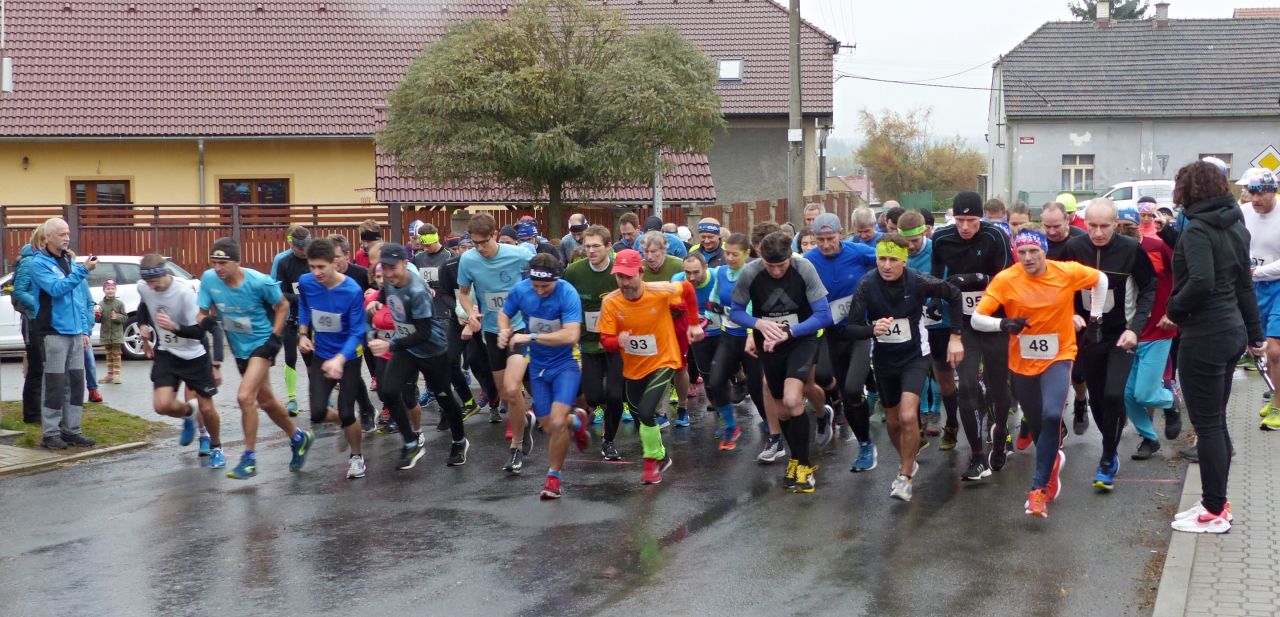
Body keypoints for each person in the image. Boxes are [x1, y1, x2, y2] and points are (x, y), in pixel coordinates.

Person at [972, 226, 1108, 518]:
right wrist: (1003, 324)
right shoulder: (1006, 279)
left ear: (1044, 251)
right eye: (1021, 252)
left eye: (1033, 251)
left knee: (1051, 415)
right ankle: (1052, 460)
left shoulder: (1066, 271)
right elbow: (977, 318)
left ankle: (1038, 491)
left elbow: (1101, 279)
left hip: (1059, 355)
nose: (1028, 257)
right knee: (1037, 426)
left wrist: (1095, 317)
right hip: (1022, 361)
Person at [1166, 160, 1264, 534]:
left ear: (1187, 191)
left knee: (1207, 425)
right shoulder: (1236, 226)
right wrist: (1254, 335)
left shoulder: (1197, 230)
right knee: (1216, 421)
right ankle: (1216, 502)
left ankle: (1213, 511)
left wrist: (1174, 308)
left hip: (1205, 335)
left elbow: (1202, 281)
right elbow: (1244, 285)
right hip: (1231, 331)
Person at [846, 234, 964, 501]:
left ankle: (904, 476)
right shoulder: (866, 284)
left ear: (904, 260)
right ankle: (907, 460)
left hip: (915, 357)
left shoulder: (917, 280)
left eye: (893, 259)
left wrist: (956, 336)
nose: (886, 265)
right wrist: (871, 329)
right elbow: (851, 328)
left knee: (909, 416)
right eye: (881, 259)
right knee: (894, 421)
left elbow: (954, 294)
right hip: (884, 360)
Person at [1061, 198, 1157, 491]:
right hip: (1089, 335)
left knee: (1114, 394)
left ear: (1116, 224)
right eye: (1092, 226)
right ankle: (1109, 443)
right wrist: (1071, 314)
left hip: (1120, 334)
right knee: (1098, 399)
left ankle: (1106, 459)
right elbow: (1060, 286)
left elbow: (1149, 288)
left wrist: (1135, 329)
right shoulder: (1074, 248)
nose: (1098, 232)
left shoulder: (1130, 249)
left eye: (1105, 226)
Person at [197, 238, 312, 479]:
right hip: (239, 348)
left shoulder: (259, 281)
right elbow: (202, 313)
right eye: (214, 262)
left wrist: (275, 338)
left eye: (223, 263)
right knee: (267, 401)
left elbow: (282, 306)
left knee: (245, 397)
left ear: (237, 262)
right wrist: (207, 324)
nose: (218, 268)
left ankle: (249, 458)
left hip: (262, 344)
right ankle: (298, 437)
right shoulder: (209, 279)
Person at [731, 232, 831, 493]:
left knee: (792, 400)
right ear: (761, 259)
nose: (776, 271)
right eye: (770, 266)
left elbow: (823, 315)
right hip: (769, 342)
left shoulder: (804, 268)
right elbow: (736, 311)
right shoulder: (751, 272)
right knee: (782, 410)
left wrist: (790, 332)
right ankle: (795, 458)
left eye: (782, 265)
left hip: (801, 339)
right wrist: (758, 323)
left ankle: (805, 466)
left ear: (790, 256)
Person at [930, 191, 1014, 481]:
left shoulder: (995, 236)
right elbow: (936, 274)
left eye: (972, 221)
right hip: (964, 321)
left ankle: (1000, 434)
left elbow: (1009, 278)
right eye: (960, 220)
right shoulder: (942, 238)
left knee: (997, 386)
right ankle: (978, 456)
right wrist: (935, 295)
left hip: (995, 320)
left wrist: (974, 278)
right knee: (966, 386)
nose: (965, 227)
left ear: (981, 218)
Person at [369, 243, 471, 470]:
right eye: (384, 268)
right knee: (388, 392)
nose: (388, 273)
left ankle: (459, 441)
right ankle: (411, 443)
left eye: (393, 267)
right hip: (407, 348)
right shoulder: (390, 279)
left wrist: (389, 344)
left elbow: (423, 334)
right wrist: (378, 300)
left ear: (405, 263)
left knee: (444, 397)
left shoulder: (417, 291)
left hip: (432, 350)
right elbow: (386, 291)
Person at [497, 253, 591, 498]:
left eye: (545, 287)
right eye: (535, 285)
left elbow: (571, 335)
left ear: (556, 280)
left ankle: (553, 478)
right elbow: (504, 313)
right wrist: (503, 330)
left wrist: (531, 336)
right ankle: (576, 421)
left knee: (557, 422)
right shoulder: (522, 289)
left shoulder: (567, 293)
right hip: (538, 366)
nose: (539, 291)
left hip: (566, 364)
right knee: (549, 425)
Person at [597, 249, 686, 484]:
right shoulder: (610, 301)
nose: (625, 282)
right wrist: (618, 341)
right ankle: (661, 457)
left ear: (641, 272)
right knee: (639, 417)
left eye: (629, 276)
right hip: (633, 366)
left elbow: (686, 290)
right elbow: (604, 340)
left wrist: (694, 322)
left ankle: (650, 466)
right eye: (620, 276)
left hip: (664, 359)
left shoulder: (660, 291)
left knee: (647, 411)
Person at [457, 213, 536, 472]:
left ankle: (516, 446)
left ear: (494, 235)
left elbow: (543, 274)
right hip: (491, 332)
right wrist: (470, 312)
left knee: (513, 390)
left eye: (484, 242)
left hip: (518, 329)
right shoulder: (468, 260)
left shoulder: (518, 254)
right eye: (475, 243)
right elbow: (464, 294)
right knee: (505, 395)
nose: (480, 248)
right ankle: (525, 419)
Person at [803, 213, 880, 470]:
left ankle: (865, 445)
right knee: (824, 376)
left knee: (853, 390)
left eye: (831, 238)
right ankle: (836, 408)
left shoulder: (858, 252)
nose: (826, 244)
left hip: (859, 330)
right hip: (831, 332)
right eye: (820, 240)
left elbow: (888, 264)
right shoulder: (808, 261)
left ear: (841, 233)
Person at [137, 254, 224, 468]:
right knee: (161, 405)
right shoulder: (144, 287)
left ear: (164, 273)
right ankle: (188, 413)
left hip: (194, 355)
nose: (151, 286)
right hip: (167, 353)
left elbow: (199, 332)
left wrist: (174, 327)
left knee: (207, 408)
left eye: (154, 281)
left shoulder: (185, 294)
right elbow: (144, 305)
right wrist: (143, 325)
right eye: (147, 282)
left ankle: (216, 447)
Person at [296, 238, 372, 479]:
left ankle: (356, 457)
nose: (316, 272)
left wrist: (340, 359)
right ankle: (346, 424)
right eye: (312, 267)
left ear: (334, 263)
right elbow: (304, 306)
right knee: (317, 412)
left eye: (321, 267)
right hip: (321, 354)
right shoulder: (307, 282)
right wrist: (303, 334)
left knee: (347, 412)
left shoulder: (351, 290)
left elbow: (358, 331)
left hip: (348, 357)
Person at [1114, 208, 1180, 459]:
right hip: (1128, 332)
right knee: (1127, 394)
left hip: (1159, 328)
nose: (1124, 231)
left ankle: (1170, 402)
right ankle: (1149, 438)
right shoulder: (1113, 252)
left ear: (1139, 226)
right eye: (1119, 226)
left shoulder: (1157, 247)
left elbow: (1183, 276)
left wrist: (1174, 312)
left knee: (1144, 393)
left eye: (1129, 226)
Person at [29, 218, 97, 449]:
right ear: (47, 237)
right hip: (53, 332)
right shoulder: (39, 263)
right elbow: (56, 289)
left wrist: (84, 330)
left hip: (75, 332)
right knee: (55, 383)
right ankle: (50, 433)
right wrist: (82, 271)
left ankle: (72, 430)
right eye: (61, 234)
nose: (67, 238)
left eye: (67, 233)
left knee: (76, 383)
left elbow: (79, 299)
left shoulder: (70, 260)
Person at [564, 225, 627, 459]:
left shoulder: (619, 270)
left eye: (596, 246)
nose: (591, 250)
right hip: (589, 342)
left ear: (609, 247)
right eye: (587, 246)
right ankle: (590, 412)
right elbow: (564, 299)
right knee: (593, 396)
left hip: (616, 342)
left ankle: (608, 440)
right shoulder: (574, 271)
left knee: (615, 396)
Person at [901, 210, 959, 445]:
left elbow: (950, 287)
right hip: (912, 322)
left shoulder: (938, 250)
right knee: (911, 376)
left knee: (943, 376)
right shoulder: (897, 253)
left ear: (925, 231)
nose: (910, 246)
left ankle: (952, 423)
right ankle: (918, 428)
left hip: (939, 322)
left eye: (915, 240)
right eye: (906, 241)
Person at [707, 233, 767, 453]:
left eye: (735, 254)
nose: (730, 258)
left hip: (751, 337)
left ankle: (771, 425)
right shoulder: (721, 272)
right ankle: (731, 427)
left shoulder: (753, 272)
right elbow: (714, 299)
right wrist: (706, 317)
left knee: (757, 389)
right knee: (715, 381)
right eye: (727, 253)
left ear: (746, 253)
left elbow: (754, 305)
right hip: (729, 335)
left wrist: (752, 331)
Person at [1236, 168, 1280, 430]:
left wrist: (1256, 272)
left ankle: (1277, 406)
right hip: (1252, 288)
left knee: (1275, 349)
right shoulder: (1242, 213)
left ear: (1274, 191)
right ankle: (1276, 396)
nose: (1255, 198)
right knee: (1261, 348)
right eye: (1251, 192)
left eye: (1261, 192)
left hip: (1277, 285)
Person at [639, 230, 697, 427]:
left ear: (664, 250)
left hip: (676, 323)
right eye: (646, 252)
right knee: (655, 368)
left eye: (654, 252)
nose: (650, 256)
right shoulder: (640, 268)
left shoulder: (677, 266)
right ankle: (659, 411)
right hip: (651, 325)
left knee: (680, 367)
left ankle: (682, 407)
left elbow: (688, 294)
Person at [272, 224, 312, 416]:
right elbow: (279, 291)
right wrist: (299, 298)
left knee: (313, 357)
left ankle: (320, 394)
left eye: (306, 247)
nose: (304, 251)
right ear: (293, 246)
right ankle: (292, 398)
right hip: (291, 317)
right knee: (290, 358)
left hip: (312, 318)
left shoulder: (314, 259)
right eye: (300, 248)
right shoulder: (283, 262)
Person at [12, 228, 45, 423]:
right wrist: (39, 306)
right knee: (36, 367)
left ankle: (40, 410)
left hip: (43, 320)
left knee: (42, 366)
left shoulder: (43, 259)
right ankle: (32, 414)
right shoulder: (29, 261)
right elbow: (19, 291)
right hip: (32, 320)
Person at [99, 280, 126, 384]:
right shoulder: (101, 304)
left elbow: (125, 318)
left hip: (116, 334)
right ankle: (110, 375)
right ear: (104, 290)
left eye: (112, 288)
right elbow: (98, 320)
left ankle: (117, 375)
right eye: (108, 288)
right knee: (108, 354)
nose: (110, 291)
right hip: (106, 334)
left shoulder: (119, 303)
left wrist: (117, 317)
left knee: (116, 354)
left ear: (115, 290)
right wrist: (96, 315)